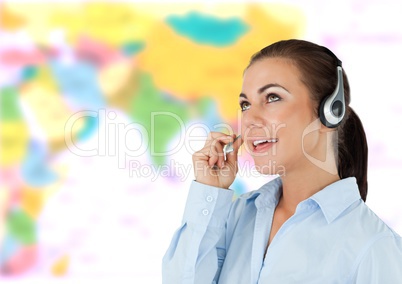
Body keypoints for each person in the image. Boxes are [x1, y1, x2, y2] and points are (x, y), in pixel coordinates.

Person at [162, 39, 402, 283]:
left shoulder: (374, 246)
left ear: (331, 112)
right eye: (245, 105)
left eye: (272, 97)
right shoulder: (231, 216)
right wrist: (209, 190)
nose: (250, 119)